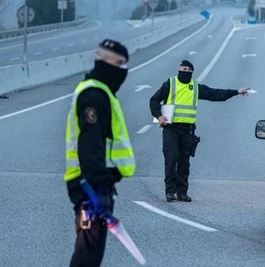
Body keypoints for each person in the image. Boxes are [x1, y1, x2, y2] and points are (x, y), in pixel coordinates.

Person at [64, 39, 136, 267]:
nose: (123, 71)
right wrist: (97, 190)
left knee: (90, 252)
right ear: (105, 61)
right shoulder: (94, 95)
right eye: (120, 64)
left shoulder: (100, 92)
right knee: (88, 254)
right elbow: (90, 145)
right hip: (89, 188)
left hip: (93, 184)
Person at [149, 60, 249, 202]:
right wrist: (158, 116)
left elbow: (215, 94)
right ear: (178, 70)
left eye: (188, 70)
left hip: (187, 131)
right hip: (170, 129)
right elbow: (154, 100)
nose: (186, 71)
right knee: (171, 160)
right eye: (183, 68)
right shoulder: (170, 84)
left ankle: (182, 192)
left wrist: (236, 92)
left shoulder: (195, 87)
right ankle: (170, 191)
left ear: (192, 72)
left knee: (184, 162)